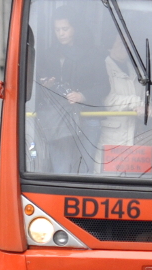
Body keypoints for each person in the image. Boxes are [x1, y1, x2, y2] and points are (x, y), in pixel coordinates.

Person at [36, 13, 106, 173]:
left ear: (75, 28)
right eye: (57, 29)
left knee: (85, 167)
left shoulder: (92, 53)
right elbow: (39, 82)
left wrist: (82, 95)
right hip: (59, 118)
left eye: (65, 29)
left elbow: (104, 86)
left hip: (88, 115)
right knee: (61, 168)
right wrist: (46, 84)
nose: (61, 33)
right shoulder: (49, 54)